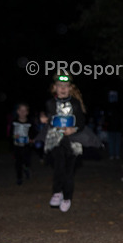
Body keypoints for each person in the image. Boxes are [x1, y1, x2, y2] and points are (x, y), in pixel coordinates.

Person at [39, 73, 96, 213]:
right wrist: (43, 117)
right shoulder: (50, 103)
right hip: (56, 139)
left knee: (69, 171)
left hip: (72, 141)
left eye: (66, 86)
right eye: (60, 86)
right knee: (59, 166)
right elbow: (48, 116)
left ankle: (67, 197)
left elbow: (81, 122)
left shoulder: (76, 104)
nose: (63, 88)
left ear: (70, 88)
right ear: (54, 88)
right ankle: (57, 191)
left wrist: (73, 129)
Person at [11, 102, 35, 185]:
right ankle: (19, 178)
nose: (22, 112)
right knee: (18, 162)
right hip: (17, 146)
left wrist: (32, 139)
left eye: (24, 111)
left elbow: (33, 133)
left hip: (27, 146)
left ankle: (26, 169)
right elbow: (9, 134)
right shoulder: (13, 122)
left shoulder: (30, 122)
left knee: (26, 161)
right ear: (17, 111)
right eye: (21, 110)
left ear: (27, 112)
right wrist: (14, 137)